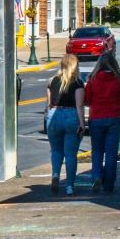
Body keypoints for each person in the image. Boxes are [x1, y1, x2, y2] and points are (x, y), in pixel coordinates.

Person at [82, 50, 120, 195]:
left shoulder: (92, 80)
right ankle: (109, 185)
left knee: (97, 151)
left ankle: (96, 176)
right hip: (114, 118)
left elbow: (87, 100)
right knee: (111, 153)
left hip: (96, 119)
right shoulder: (118, 80)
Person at [44, 53, 85, 196]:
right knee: (70, 154)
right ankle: (69, 187)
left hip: (54, 116)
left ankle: (55, 175)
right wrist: (82, 124)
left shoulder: (52, 81)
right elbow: (79, 105)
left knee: (55, 150)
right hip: (71, 116)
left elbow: (48, 104)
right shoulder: (77, 83)